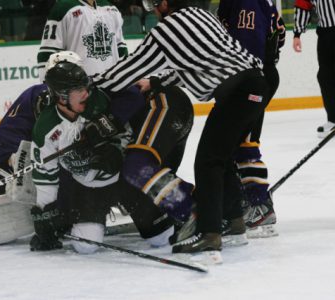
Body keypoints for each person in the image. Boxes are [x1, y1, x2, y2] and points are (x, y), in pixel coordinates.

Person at [92, 0, 269, 258]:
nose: (152, 9)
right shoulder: (201, 15)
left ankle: (209, 234)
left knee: (208, 162)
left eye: (154, 3)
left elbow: (127, 70)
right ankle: (234, 221)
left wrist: (92, 85)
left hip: (238, 93)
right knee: (223, 158)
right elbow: (193, 66)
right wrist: (155, 81)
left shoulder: (167, 30)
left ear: (166, 3)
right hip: (256, 85)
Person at [30, 51, 177, 254]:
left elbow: (126, 129)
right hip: (88, 188)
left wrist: (116, 151)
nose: (86, 94)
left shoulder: (99, 101)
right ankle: (95, 218)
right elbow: (45, 175)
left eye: (86, 87)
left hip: (123, 181)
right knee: (85, 245)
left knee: (163, 237)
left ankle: (181, 208)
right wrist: (45, 213)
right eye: (78, 90)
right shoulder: (45, 128)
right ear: (62, 96)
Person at [217, 0, 286, 238]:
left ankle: (259, 205)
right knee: (240, 138)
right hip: (260, 74)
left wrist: (240, 80)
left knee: (243, 140)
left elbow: (247, 44)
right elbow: (281, 34)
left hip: (250, 76)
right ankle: (252, 199)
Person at [36, 0, 128, 81]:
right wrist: (46, 85)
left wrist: (127, 77)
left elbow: (121, 48)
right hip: (79, 89)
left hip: (112, 85)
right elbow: (47, 53)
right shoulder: (63, 8)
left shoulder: (111, 9)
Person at [293, 0, 335, 138]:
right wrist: (297, 34)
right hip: (325, 34)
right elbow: (303, 5)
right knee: (325, 77)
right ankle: (334, 119)